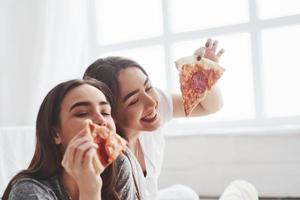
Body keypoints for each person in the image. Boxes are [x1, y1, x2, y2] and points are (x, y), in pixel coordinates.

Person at [83, 38, 225, 200]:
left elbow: (210, 106)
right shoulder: (106, 156)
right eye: (134, 101)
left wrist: (204, 74)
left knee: (185, 193)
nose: (151, 102)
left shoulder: (154, 104)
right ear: (108, 113)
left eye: (148, 87)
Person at [2, 79, 137, 200]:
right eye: (82, 113)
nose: (102, 120)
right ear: (56, 134)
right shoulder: (28, 192)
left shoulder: (118, 167)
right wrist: (89, 190)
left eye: (106, 112)